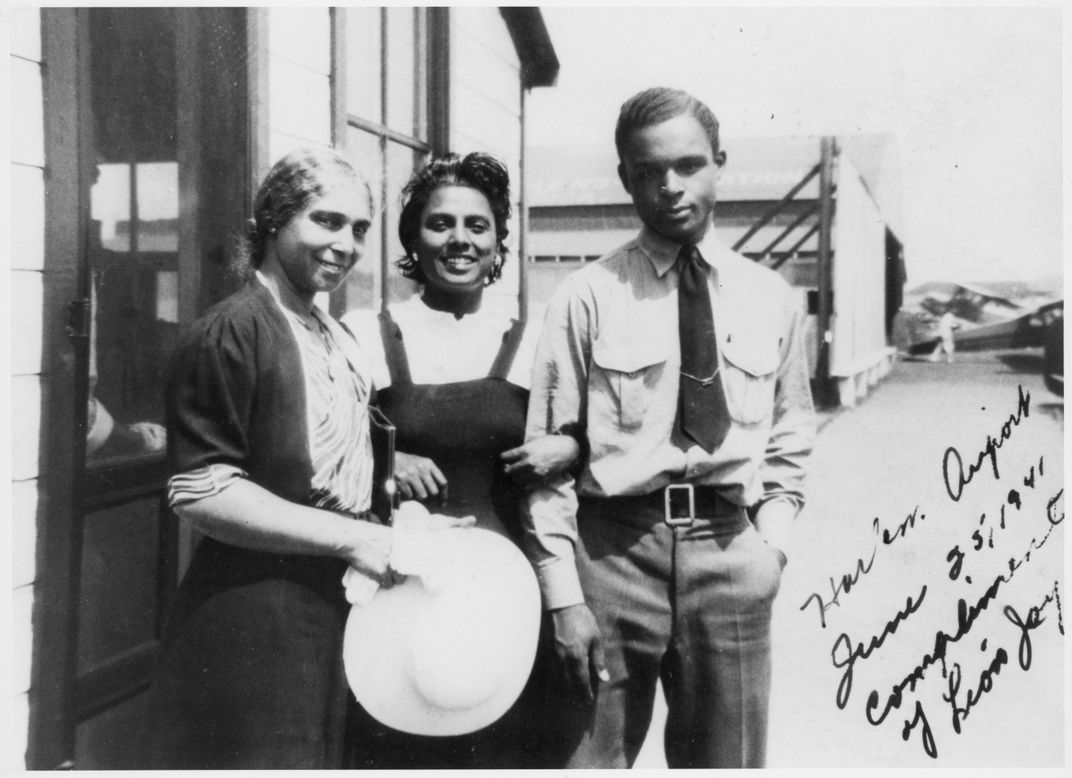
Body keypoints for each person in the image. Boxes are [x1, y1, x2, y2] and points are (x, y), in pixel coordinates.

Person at [141, 148, 465, 768]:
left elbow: (343, 469)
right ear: (272, 222)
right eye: (326, 221)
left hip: (327, 607)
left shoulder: (332, 334)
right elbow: (201, 490)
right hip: (254, 614)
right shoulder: (233, 331)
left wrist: (407, 530)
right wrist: (353, 538)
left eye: (359, 229)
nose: (345, 244)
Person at [522, 87, 816, 768]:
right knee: (587, 760)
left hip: (729, 551)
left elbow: (791, 431)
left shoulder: (770, 296)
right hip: (612, 556)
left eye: (688, 165)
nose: (670, 187)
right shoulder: (586, 296)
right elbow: (546, 461)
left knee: (726, 763)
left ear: (719, 163)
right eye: (648, 171)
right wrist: (564, 598)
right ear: (625, 177)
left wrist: (771, 549)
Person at [343, 151, 579, 768]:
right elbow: (322, 452)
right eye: (440, 223)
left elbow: (578, 452)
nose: (460, 240)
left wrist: (572, 445)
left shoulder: (533, 340)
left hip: (504, 586)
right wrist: (382, 461)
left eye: (477, 225)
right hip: (396, 586)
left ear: (500, 238)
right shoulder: (365, 333)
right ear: (411, 239)